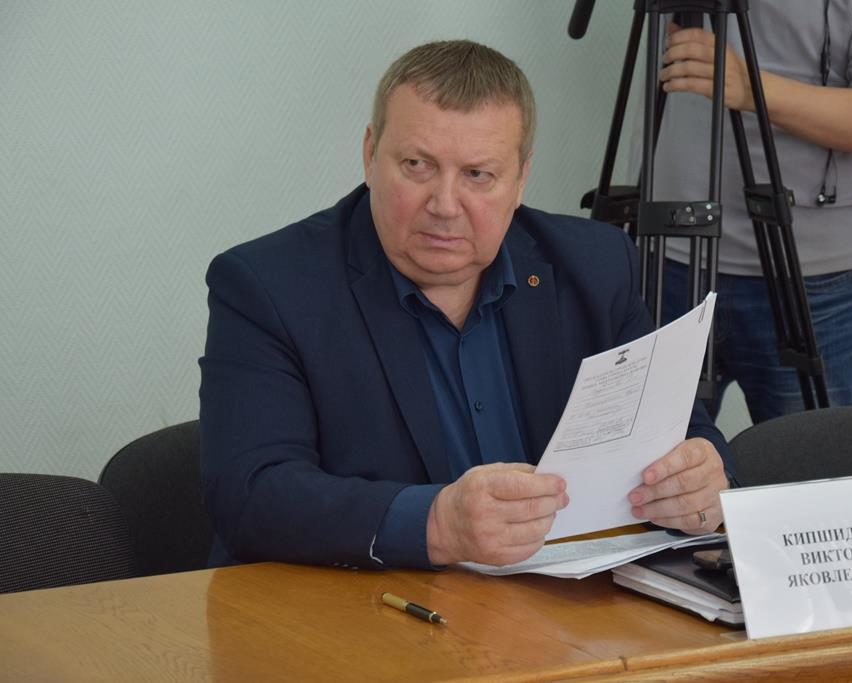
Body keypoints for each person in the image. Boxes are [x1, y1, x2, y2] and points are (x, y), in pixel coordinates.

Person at [199, 40, 734, 571]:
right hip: (361, 605)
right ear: (370, 154)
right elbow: (249, 495)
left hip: (560, 606)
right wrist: (435, 523)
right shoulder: (269, 286)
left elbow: (680, 430)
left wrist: (704, 479)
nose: (445, 205)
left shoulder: (594, 266)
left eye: (478, 175)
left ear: (520, 179)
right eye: (417, 165)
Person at [631, 0, 852, 423]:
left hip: (811, 279)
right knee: (650, 460)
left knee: (810, 461)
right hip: (664, 255)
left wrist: (750, 87)